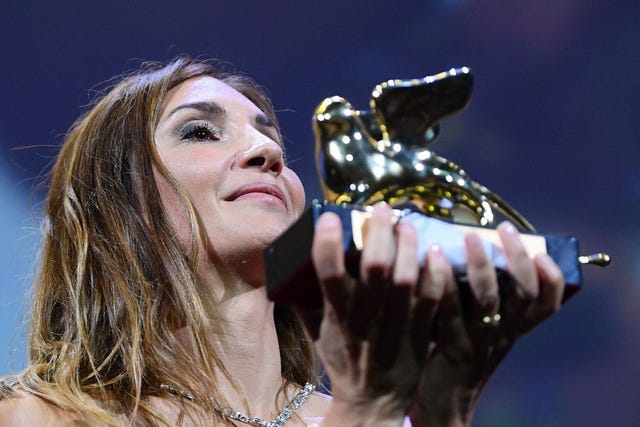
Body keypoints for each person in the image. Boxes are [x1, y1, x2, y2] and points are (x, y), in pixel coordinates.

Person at [0, 56, 565, 426]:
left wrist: (441, 414)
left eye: (269, 137)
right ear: (118, 205)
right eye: (200, 131)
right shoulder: (32, 416)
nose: (268, 153)